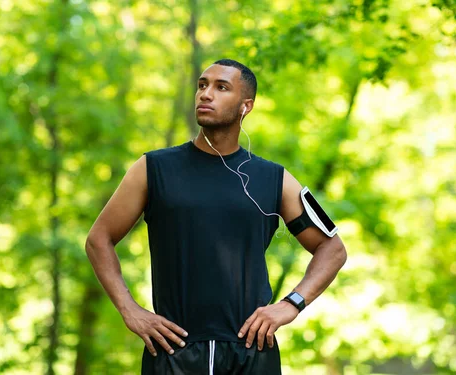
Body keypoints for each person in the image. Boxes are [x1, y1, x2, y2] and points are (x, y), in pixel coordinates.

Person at [85, 59, 347, 374]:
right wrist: (130, 311)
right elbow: (99, 239)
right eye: (202, 85)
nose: (206, 94)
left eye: (221, 87)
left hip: (250, 354)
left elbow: (332, 249)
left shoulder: (274, 178)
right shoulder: (153, 169)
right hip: (172, 353)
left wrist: (291, 304)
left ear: (245, 106)